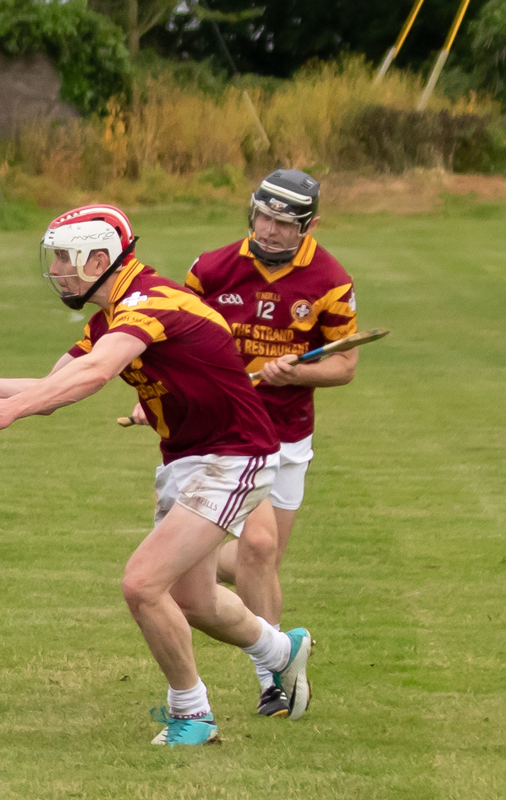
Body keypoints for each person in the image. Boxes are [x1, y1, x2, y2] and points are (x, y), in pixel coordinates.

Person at [0, 205, 313, 746]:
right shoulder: (111, 316)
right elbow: (48, 388)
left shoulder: (149, 302)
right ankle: (283, 652)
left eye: (65, 260)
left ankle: (193, 715)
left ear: (100, 258)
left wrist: (10, 412)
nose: (57, 272)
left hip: (234, 454)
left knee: (142, 583)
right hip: (187, 458)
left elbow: (93, 374)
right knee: (195, 600)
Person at [173, 169, 355, 718]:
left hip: (289, 436)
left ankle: (194, 563)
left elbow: (345, 365)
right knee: (257, 548)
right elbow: (171, 335)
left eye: (284, 223)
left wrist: (295, 374)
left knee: (262, 555)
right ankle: (273, 675)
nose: (270, 231)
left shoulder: (330, 281)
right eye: (263, 217)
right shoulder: (211, 269)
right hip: (227, 429)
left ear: (310, 225)